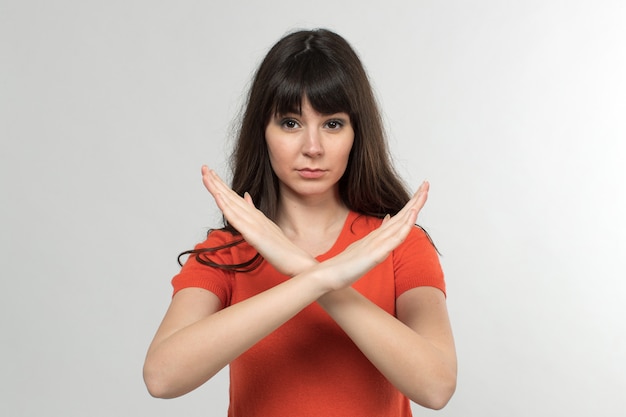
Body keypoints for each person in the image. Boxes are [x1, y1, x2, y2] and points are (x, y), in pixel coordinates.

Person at [143, 28, 457, 416]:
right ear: (263, 131)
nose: (313, 147)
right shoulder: (228, 252)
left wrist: (301, 270)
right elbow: (162, 377)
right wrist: (320, 277)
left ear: (358, 134)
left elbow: (436, 385)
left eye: (333, 124)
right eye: (290, 123)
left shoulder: (397, 244)